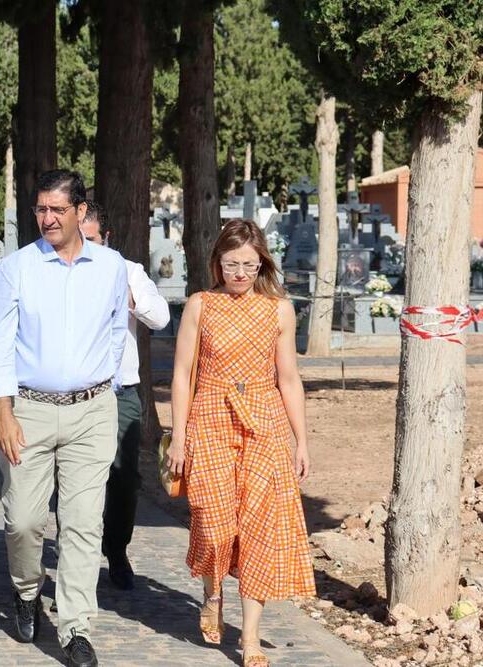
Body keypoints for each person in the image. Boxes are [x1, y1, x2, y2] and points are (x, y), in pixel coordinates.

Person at [0, 170, 128, 667]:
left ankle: (75, 628)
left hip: (92, 411)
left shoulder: (111, 267)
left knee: (84, 523)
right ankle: (26, 591)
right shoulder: (17, 267)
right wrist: (3, 412)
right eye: (41, 209)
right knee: (23, 520)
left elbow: (116, 330)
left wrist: (99, 382)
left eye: (57, 210)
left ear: (80, 212)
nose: (47, 218)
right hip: (29, 409)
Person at [166, 218, 315, 667]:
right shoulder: (200, 305)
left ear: (262, 263)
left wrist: (301, 440)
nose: (240, 274)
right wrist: (177, 435)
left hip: (264, 423)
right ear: (217, 262)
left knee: (257, 532)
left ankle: (250, 636)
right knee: (213, 526)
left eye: (249, 265)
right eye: (231, 264)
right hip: (209, 416)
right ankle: (212, 590)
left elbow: (288, 378)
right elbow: (180, 374)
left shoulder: (279, 310)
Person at [78, 201, 170, 590]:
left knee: (124, 478)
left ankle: (116, 549)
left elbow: (161, 317)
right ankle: (76, 566)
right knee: (77, 480)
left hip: (119, 391)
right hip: (76, 393)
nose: (85, 246)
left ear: (107, 238)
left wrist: (127, 297)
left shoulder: (127, 271)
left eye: (92, 239)